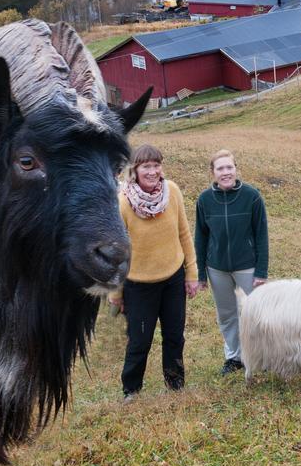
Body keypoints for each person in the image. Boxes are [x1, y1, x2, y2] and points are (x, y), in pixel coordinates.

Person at [109, 145, 199, 402]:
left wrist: (191, 274)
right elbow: (117, 252)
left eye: (156, 165)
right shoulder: (123, 203)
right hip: (139, 285)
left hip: (173, 278)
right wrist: (116, 292)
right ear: (135, 170)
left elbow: (184, 233)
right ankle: (131, 390)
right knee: (139, 341)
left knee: (174, 336)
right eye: (146, 166)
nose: (152, 171)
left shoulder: (172, 192)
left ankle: (175, 383)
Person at [195, 149, 269, 375]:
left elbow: (261, 235)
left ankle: (260, 357)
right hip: (217, 268)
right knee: (227, 315)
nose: (225, 172)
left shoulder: (252, 196)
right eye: (220, 168)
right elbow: (201, 237)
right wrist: (200, 273)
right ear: (213, 172)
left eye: (229, 167)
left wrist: (261, 271)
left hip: (247, 265)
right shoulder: (205, 200)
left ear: (236, 169)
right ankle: (234, 357)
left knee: (256, 314)